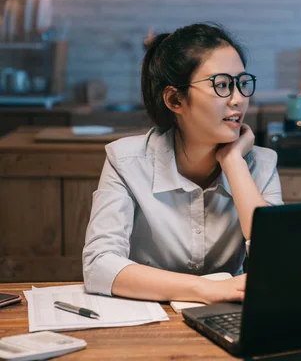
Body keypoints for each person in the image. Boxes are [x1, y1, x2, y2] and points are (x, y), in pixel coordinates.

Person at [83, 23, 283, 304]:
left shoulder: (260, 163)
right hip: (147, 321)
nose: (238, 99)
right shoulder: (126, 162)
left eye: (242, 83)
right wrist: (206, 290)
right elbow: (99, 265)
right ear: (175, 99)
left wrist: (233, 162)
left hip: (229, 319)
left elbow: (281, 264)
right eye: (222, 85)